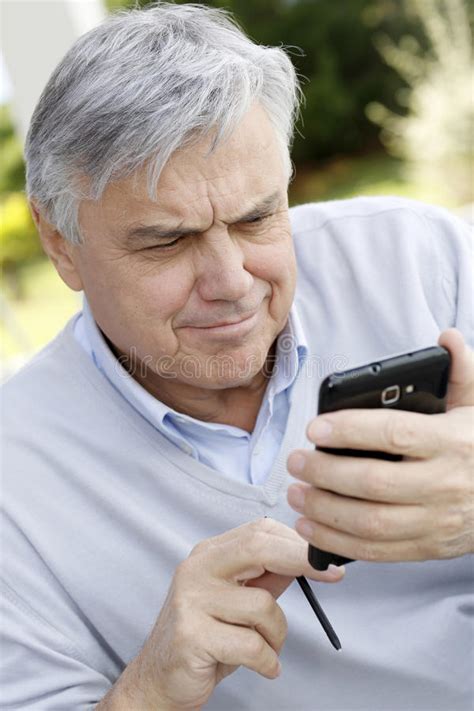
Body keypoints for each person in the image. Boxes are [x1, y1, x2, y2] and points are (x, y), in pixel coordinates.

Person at [1, 2, 473, 709]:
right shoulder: (14, 480)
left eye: (258, 216)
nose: (231, 283)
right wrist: (151, 689)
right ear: (60, 242)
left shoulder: (420, 258)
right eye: (166, 240)